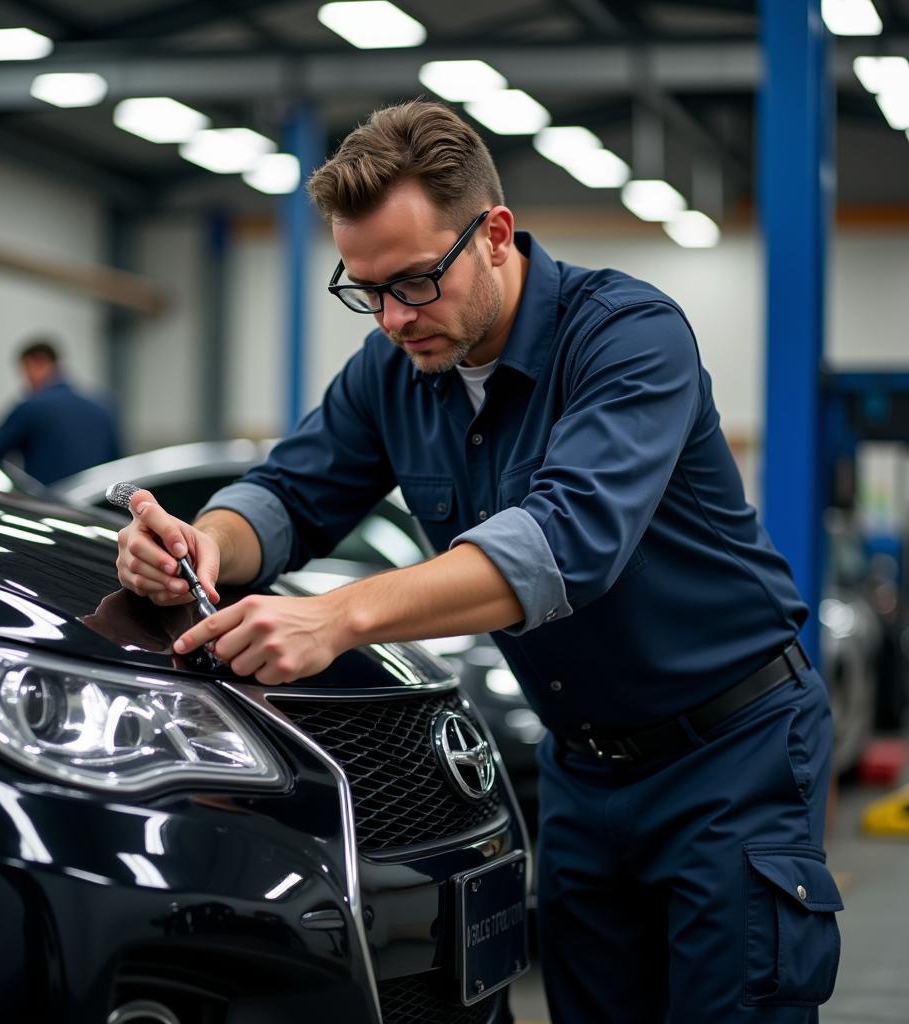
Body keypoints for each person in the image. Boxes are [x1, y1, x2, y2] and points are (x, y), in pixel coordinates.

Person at [116, 100, 840, 1022]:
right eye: (365, 289)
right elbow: (290, 495)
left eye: (414, 282)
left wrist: (340, 615)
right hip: (584, 770)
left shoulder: (626, 337)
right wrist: (202, 540)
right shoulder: (394, 372)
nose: (390, 317)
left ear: (494, 235)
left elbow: (564, 541)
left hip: (730, 753)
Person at [0, 337, 120, 485]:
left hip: (48, 503)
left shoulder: (33, 407)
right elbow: (117, 465)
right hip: (93, 503)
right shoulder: (102, 408)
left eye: (26, 371)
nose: (26, 381)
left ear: (37, 363)